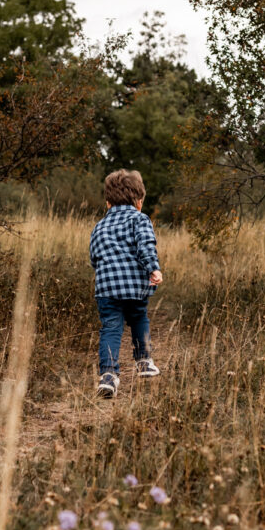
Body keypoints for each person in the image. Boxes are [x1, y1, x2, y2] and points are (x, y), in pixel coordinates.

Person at [89, 169, 162, 398]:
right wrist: (153, 268)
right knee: (139, 317)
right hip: (134, 287)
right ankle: (143, 361)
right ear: (139, 202)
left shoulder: (99, 226)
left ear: (108, 203)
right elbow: (146, 246)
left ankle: (108, 376)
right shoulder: (140, 219)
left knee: (111, 327)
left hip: (107, 288)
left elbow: (94, 256)